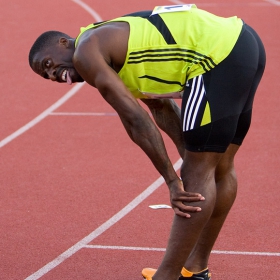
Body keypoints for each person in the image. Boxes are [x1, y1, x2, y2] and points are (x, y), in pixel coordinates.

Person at [28, 4, 266, 280]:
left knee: (197, 174)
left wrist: (173, 181)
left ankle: (167, 276)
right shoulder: (110, 43)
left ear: (63, 42)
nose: (54, 74)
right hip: (243, 42)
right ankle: (195, 267)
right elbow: (159, 109)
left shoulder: (85, 53)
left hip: (216, 58)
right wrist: (185, 154)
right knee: (219, 167)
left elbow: (135, 121)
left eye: (48, 64)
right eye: (47, 76)